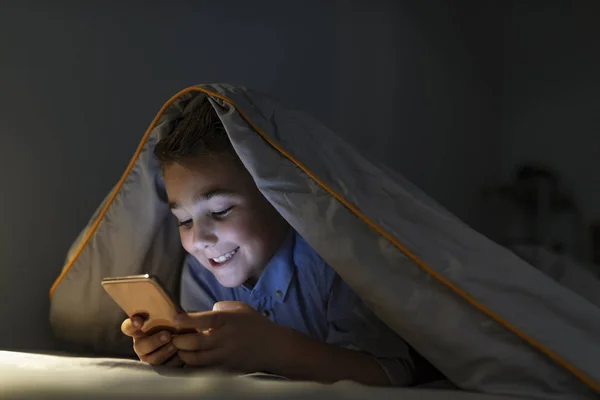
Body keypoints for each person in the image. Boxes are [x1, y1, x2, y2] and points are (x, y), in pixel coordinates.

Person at [120, 99, 419, 386]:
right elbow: (207, 368)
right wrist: (177, 354)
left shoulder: (333, 259)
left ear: (277, 198)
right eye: (184, 221)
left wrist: (275, 350)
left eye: (221, 211)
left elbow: (391, 372)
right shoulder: (202, 272)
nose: (199, 239)